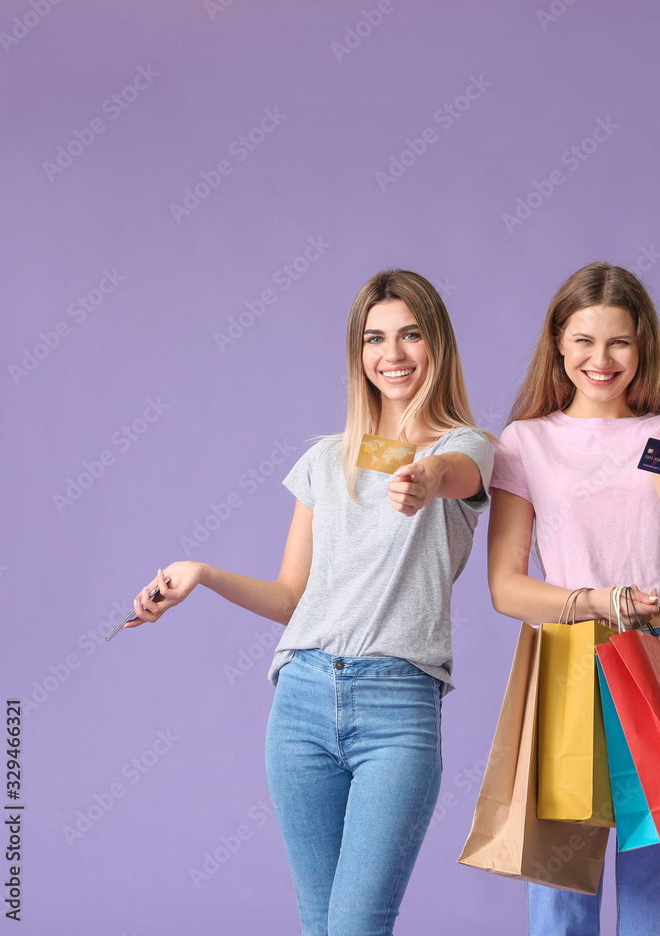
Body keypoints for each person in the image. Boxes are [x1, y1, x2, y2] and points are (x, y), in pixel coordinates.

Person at [127, 269, 495, 936]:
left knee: (356, 927)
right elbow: (293, 595)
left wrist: (424, 478)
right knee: (321, 926)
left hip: (397, 704)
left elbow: (452, 475)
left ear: (437, 344)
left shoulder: (464, 449)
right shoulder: (326, 461)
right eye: (374, 338)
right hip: (299, 701)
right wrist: (201, 573)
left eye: (411, 334)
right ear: (357, 353)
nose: (393, 353)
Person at [486, 261, 660, 936]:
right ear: (558, 344)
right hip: (568, 659)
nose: (601, 359)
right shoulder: (528, 443)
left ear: (642, 346)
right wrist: (598, 600)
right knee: (563, 889)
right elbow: (506, 586)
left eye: (619, 342)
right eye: (584, 340)